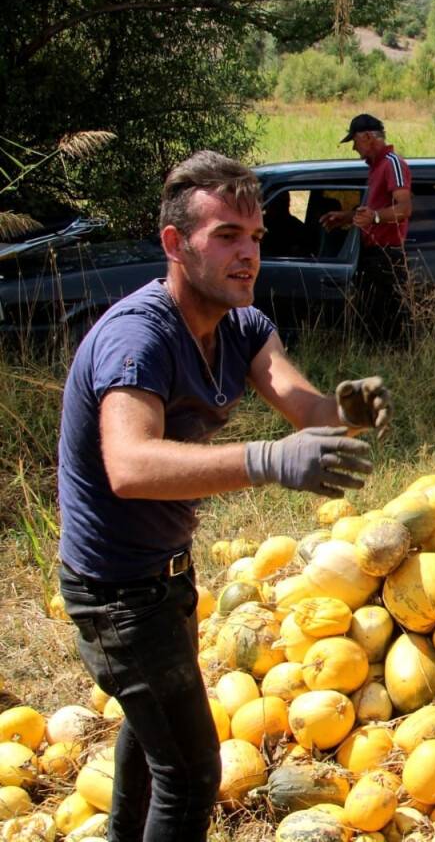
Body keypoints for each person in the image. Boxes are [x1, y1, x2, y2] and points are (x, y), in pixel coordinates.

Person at [56, 150, 391, 841]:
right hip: (114, 592)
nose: (248, 255)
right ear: (176, 244)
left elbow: (306, 407)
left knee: (154, 747)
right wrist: (267, 459)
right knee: (191, 773)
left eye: (256, 238)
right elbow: (129, 463)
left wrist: (348, 408)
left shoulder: (240, 327)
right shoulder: (138, 336)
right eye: (227, 237)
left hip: (165, 577)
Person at [320, 113, 413, 341]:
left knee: (389, 328)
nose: (354, 148)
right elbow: (371, 212)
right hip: (371, 256)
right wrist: (347, 217)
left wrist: (375, 218)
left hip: (387, 257)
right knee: (371, 325)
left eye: (355, 141)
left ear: (369, 136)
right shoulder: (376, 168)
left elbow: (405, 208)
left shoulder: (393, 163)